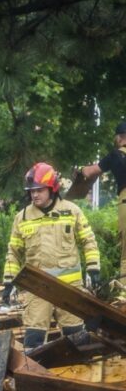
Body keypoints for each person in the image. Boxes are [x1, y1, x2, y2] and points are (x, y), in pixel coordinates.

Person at [2, 162, 100, 350]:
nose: (34, 194)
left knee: (77, 340)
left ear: (52, 188)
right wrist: (8, 282)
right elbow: (13, 253)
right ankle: (36, 378)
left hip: (69, 290)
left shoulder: (71, 211)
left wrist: (93, 268)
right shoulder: (22, 218)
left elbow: (89, 240)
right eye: (31, 191)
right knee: (33, 342)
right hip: (37, 290)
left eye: (39, 190)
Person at [75, 121, 126, 291]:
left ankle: (124, 294)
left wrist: (80, 170)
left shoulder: (115, 155)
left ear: (119, 138)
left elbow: (90, 172)